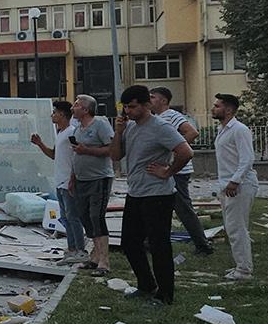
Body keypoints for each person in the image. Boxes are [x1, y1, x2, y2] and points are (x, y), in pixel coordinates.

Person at [110, 85, 193, 309]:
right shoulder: (130, 127)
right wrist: (118, 131)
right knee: (129, 243)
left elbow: (186, 152)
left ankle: (165, 295)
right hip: (135, 193)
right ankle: (147, 284)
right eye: (125, 107)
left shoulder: (160, 127)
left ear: (147, 105)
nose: (128, 111)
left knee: (159, 246)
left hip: (158, 194)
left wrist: (168, 171)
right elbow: (116, 155)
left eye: (133, 107)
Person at [149, 87, 213, 255]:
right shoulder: (156, 119)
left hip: (177, 170)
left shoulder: (172, 115)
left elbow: (192, 133)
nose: (150, 100)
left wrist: (175, 147)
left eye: (153, 97)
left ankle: (202, 245)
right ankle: (150, 242)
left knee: (183, 209)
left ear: (163, 101)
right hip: (162, 170)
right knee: (155, 207)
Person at [30, 101, 87, 265]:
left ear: (62, 114)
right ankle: (72, 248)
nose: (52, 115)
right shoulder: (61, 133)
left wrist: (72, 179)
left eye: (54, 112)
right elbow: (55, 155)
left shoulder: (71, 132)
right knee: (65, 217)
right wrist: (40, 144)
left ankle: (81, 250)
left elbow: (77, 158)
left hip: (68, 182)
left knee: (72, 216)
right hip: (60, 181)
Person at [212, 94, 259, 280]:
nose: (213, 109)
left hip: (239, 185)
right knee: (232, 227)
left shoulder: (239, 129)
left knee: (236, 227)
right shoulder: (222, 129)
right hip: (227, 184)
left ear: (229, 109)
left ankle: (244, 270)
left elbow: (247, 159)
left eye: (217, 106)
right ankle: (241, 265)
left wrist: (235, 181)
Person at [70, 94, 114, 273]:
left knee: (97, 216)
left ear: (86, 109)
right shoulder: (77, 129)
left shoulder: (101, 125)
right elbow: (76, 155)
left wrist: (86, 150)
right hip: (82, 179)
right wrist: (72, 179)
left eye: (76, 105)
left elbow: (111, 149)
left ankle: (104, 260)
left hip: (99, 178)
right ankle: (95, 256)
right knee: (85, 216)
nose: (72, 108)